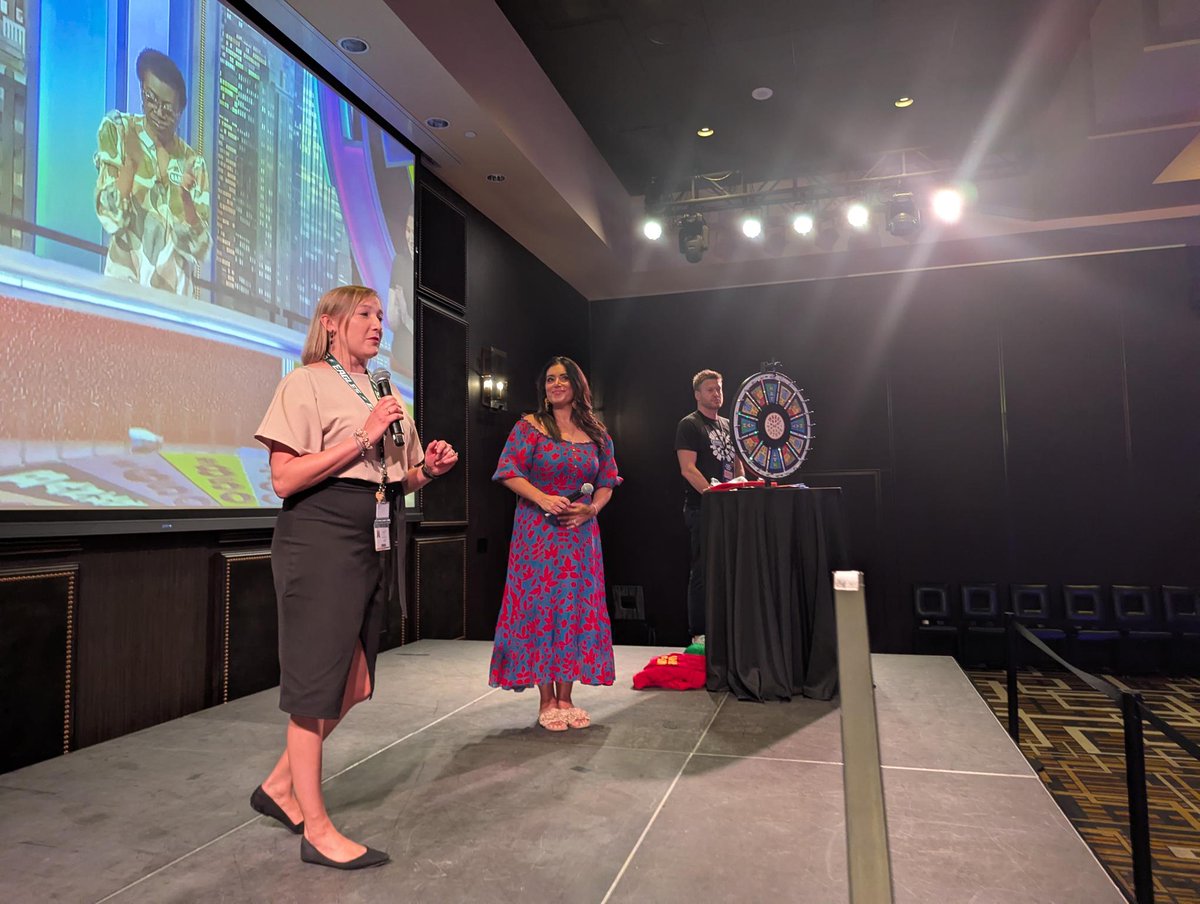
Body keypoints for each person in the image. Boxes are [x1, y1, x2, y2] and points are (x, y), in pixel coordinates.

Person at [252, 284, 458, 869]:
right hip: (319, 535)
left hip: (375, 532)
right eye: (364, 315)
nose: (377, 325)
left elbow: (395, 477)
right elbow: (285, 480)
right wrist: (361, 436)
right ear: (331, 323)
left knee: (355, 681)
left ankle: (278, 786)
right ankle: (316, 832)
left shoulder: (383, 389)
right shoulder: (307, 381)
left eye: (377, 316)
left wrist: (429, 471)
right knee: (315, 687)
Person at [489, 356, 620, 731]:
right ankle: (546, 699)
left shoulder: (597, 434)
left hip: (579, 536)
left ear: (578, 385)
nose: (556, 384)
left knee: (576, 608)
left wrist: (591, 509)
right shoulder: (528, 427)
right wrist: (543, 498)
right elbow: (507, 471)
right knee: (540, 608)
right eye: (550, 379)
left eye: (564, 378)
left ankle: (567, 696)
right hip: (537, 533)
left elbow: (608, 481)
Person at [94, 48, 211, 296]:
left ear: (180, 110)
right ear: (142, 91)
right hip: (124, 289)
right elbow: (109, 218)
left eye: (168, 108)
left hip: (175, 302)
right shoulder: (119, 131)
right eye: (151, 99)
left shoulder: (193, 162)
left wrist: (186, 200)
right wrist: (129, 171)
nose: (158, 112)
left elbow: (200, 250)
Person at [674, 369, 743, 645]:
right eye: (710, 389)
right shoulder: (689, 425)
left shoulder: (729, 425)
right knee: (702, 570)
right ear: (697, 394)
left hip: (730, 507)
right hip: (703, 508)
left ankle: (729, 629)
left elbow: (738, 463)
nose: (717, 394)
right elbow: (688, 469)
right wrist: (713, 495)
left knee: (731, 568)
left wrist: (742, 487)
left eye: (719, 389)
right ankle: (699, 634)